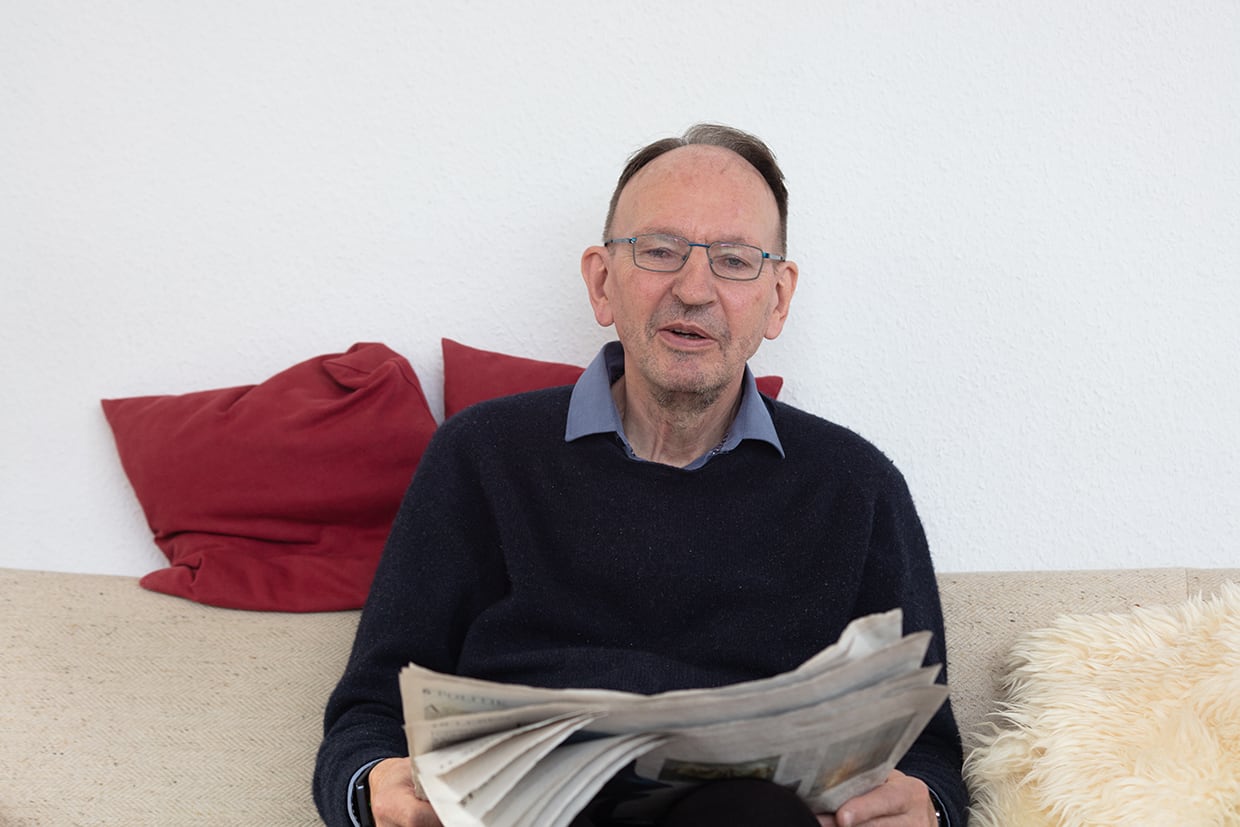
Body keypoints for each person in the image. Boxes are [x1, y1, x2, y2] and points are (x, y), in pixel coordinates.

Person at [314, 124, 966, 827]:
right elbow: (368, 714)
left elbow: (927, 751)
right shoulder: (480, 455)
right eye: (659, 251)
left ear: (778, 298)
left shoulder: (856, 488)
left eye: (735, 260)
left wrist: (925, 807)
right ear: (602, 282)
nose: (694, 288)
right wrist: (371, 788)